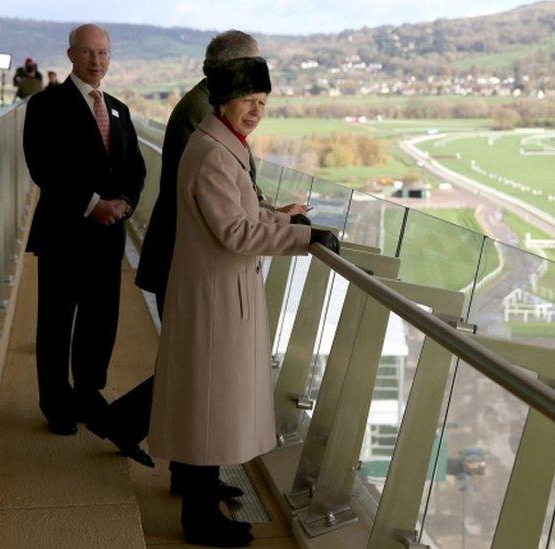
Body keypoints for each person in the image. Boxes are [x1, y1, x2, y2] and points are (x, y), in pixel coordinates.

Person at [92, 29, 307, 493]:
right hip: (192, 259)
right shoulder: (204, 116)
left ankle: (190, 477)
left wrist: (271, 214)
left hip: (193, 255)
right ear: (229, 71)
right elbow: (221, 202)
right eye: (250, 70)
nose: (255, 100)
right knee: (198, 375)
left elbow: (232, 195)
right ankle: (193, 486)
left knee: (196, 371)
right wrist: (292, 233)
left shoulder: (210, 110)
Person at [147, 56, 338, 546]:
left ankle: (203, 492)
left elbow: (245, 212)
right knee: (210, 399)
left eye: (262, 102)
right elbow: (235, 231)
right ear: (223, 101)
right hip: (214, 296)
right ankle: (199, 516)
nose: (256, 111)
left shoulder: (220, 143)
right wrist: (304, 239)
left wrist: (292, 225)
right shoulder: (214, 152)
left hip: (214, 290)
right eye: (249, 101)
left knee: (206, 398)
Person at [22, 25, 145, 445]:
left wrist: (124, 204)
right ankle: (56, 404)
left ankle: (88, 395)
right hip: (64, 233)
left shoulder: (119, 109)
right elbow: (44, 168)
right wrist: (95, 204)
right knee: (56, 322)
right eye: (89, 53)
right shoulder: (45, 105)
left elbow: (136, 170)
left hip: (109, 237)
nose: (97, 61)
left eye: (104, 53)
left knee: (100, 319)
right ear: (71, 54)